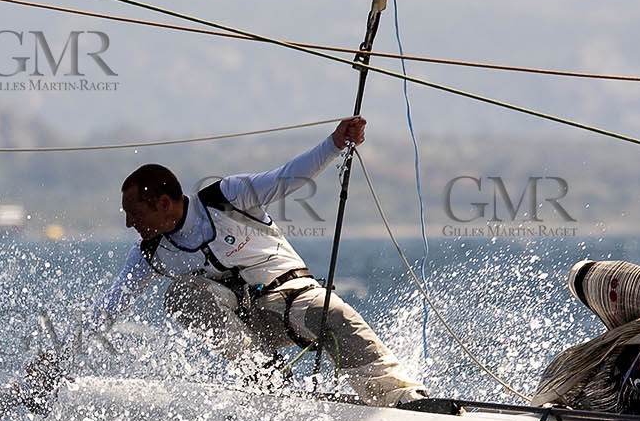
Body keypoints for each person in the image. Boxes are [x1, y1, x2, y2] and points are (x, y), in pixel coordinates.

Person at [91, 116, 427, 406]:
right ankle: (267, 378)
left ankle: (401, 399)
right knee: (182, 294)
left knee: (332, 314)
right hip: (246, 331)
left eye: (135, 214)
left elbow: (288, 177)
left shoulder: (228, 197)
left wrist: (334, 144)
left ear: (164, 203)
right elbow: (109, 307)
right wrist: (64, 356)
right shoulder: (149, 252)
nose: (130, 224)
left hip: (291, 301)